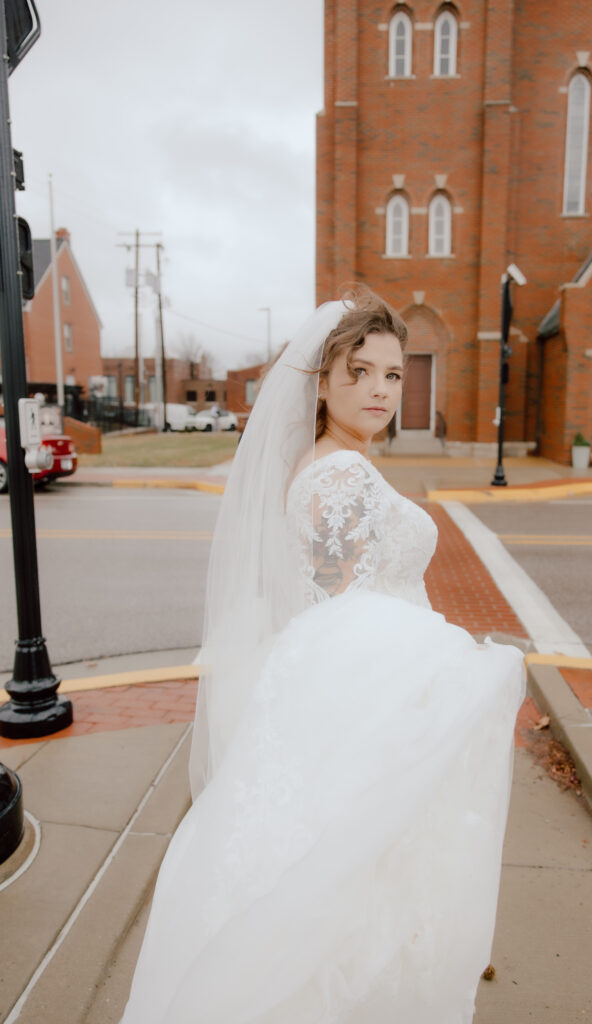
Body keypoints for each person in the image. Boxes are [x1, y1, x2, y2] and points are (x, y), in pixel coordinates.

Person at [120, 286, 525, 1024]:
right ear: (322, 380)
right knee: (344, 881)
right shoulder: (335, 474)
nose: (379, 389)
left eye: (393, 375)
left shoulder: (337, 460)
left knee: (338, 875)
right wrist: (452, 668)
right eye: (359, 371)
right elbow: (348, 610)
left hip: (353, 689)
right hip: (362, 693)